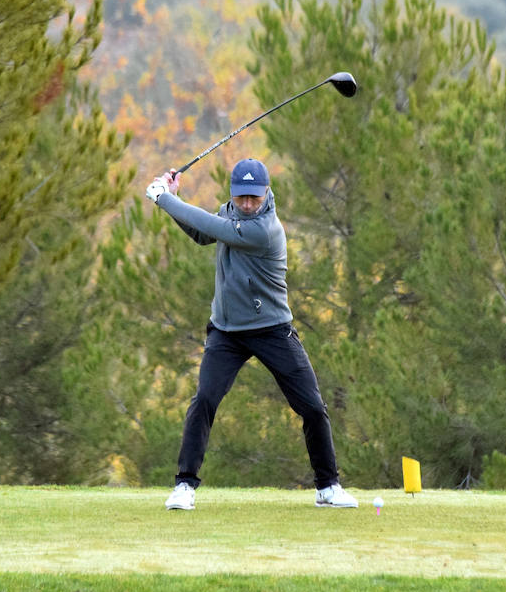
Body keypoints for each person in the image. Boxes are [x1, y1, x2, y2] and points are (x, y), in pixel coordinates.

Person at [145, 158, 357, 511]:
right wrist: (170, 200)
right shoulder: (229, 215)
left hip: (271, 328)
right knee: (204, 401)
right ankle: (185, 486)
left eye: (253, 199)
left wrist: (164, 198)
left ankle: (328, 487)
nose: (246, 204)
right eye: (241, 198)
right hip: (226, 331)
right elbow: (202, 232)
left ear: (265, 194)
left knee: (313, 407)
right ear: (233, 194)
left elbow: (218, 228)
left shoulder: (266, 230)